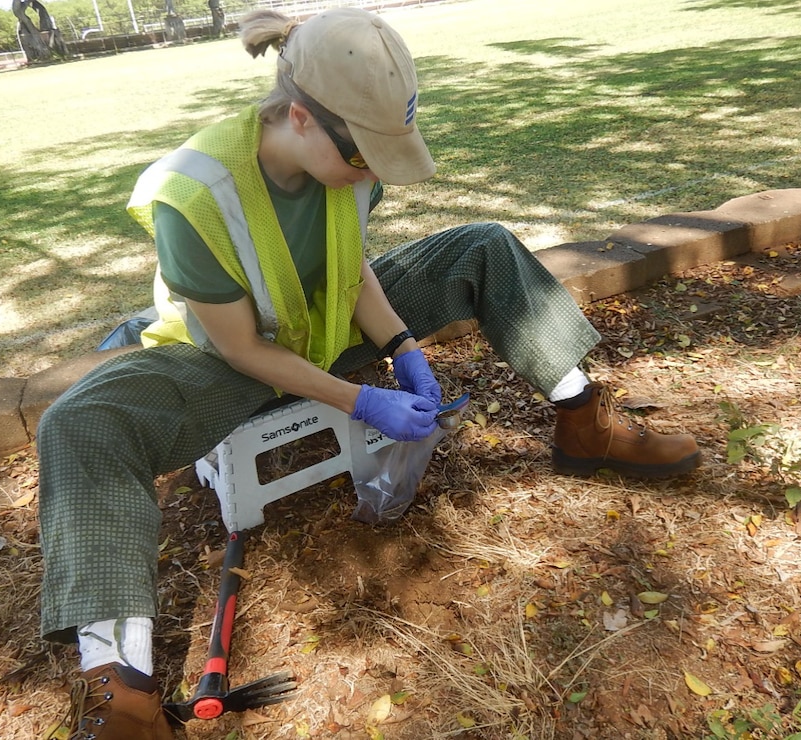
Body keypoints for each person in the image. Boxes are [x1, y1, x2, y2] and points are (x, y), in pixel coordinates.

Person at [39, 7, 701, 738]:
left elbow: (348, 267)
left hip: (328, 324)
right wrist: (364, 402)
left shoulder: (345, 164)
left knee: (480, 243)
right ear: (300, 117)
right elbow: (242, 350)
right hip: (233, 359)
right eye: (365, 156)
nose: (374, 171)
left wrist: (402, 346)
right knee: (81, 421)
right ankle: (123, 695)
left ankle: (583, 422)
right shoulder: (193, 195)